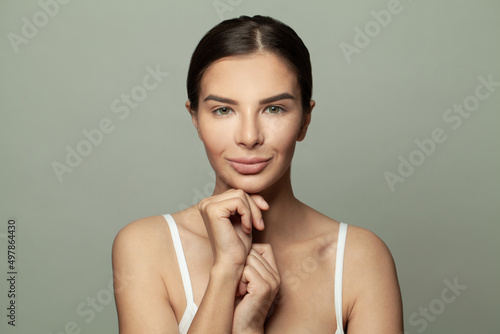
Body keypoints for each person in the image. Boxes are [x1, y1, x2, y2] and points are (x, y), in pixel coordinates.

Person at [112, 15, 403, 333]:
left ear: (305, 119)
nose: (249, 137)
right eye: (223, 110)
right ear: (195, 118)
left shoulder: (360, 258)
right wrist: (226, 273)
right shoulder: (146, 247)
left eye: (274, 108)